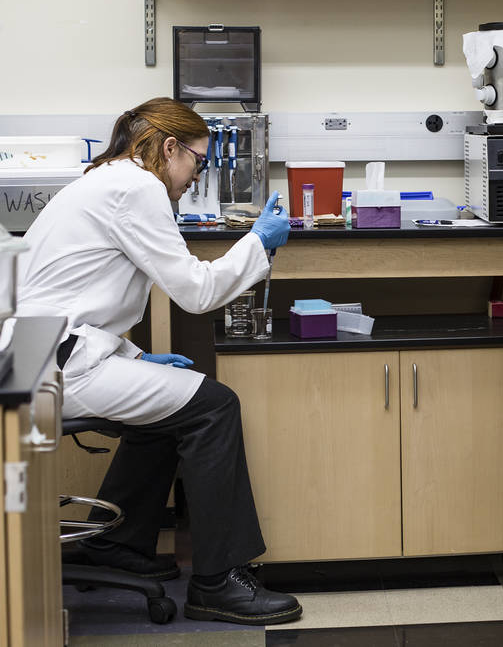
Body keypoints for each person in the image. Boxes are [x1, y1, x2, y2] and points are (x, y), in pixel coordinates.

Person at [16, 98, 301, 625]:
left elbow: (75, 299)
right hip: (54, 363)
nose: (197, 175)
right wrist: (257, 242)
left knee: (169, 406)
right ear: (170, 148)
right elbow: (196, 292)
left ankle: (117, 545)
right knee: (213, 406)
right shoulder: (137, 188)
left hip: (38, 354)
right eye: (198, 160)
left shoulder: (103, 180)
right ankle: (218, 582)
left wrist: (137, 355)